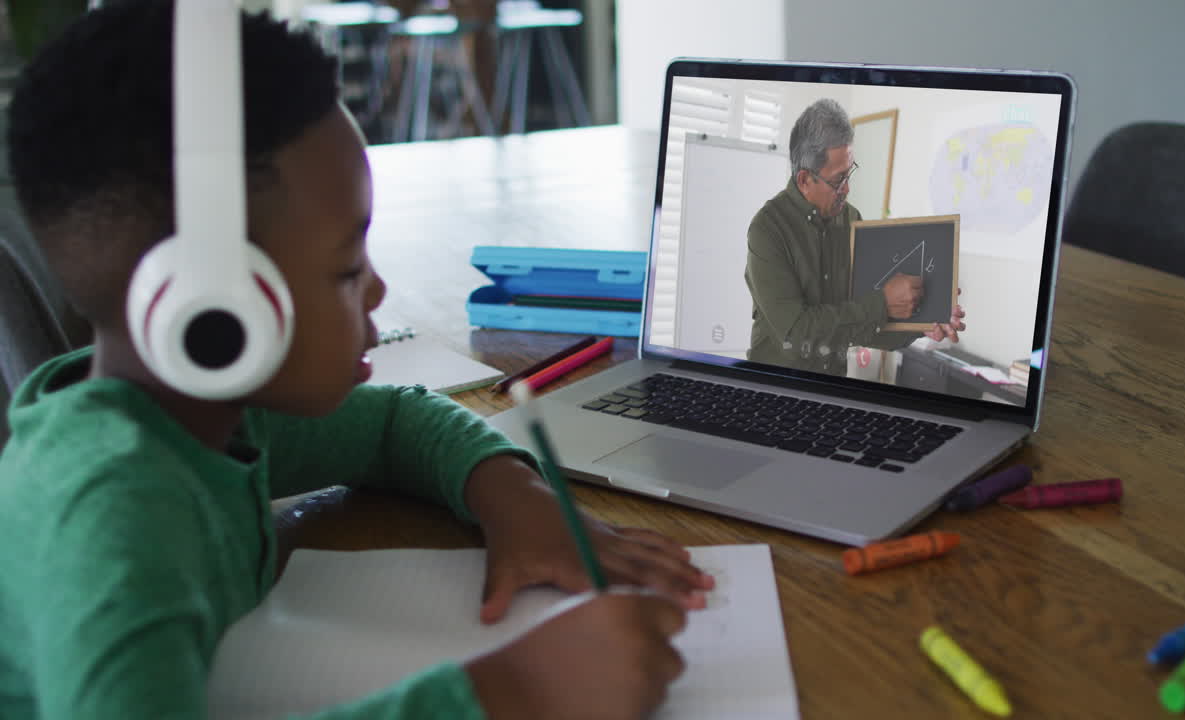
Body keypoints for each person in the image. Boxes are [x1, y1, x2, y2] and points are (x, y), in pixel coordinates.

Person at [0, 3, 711, 719]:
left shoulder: (204, 417)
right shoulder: (114, 524)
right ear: (214, 312)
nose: (376, 288)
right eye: (345, 269)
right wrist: (510, 694)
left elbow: (392, 422)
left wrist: (517, 501)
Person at [744, 98, 966, 377]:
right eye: (838, 180)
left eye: (850, 173)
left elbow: (862, 327)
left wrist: (920, 322)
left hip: (833, 390)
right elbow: (797, 333)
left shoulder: (852, 220)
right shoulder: (767, 229)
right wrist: (883, 303)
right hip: (775, 390)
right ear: (804, 180)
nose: (847, 189)